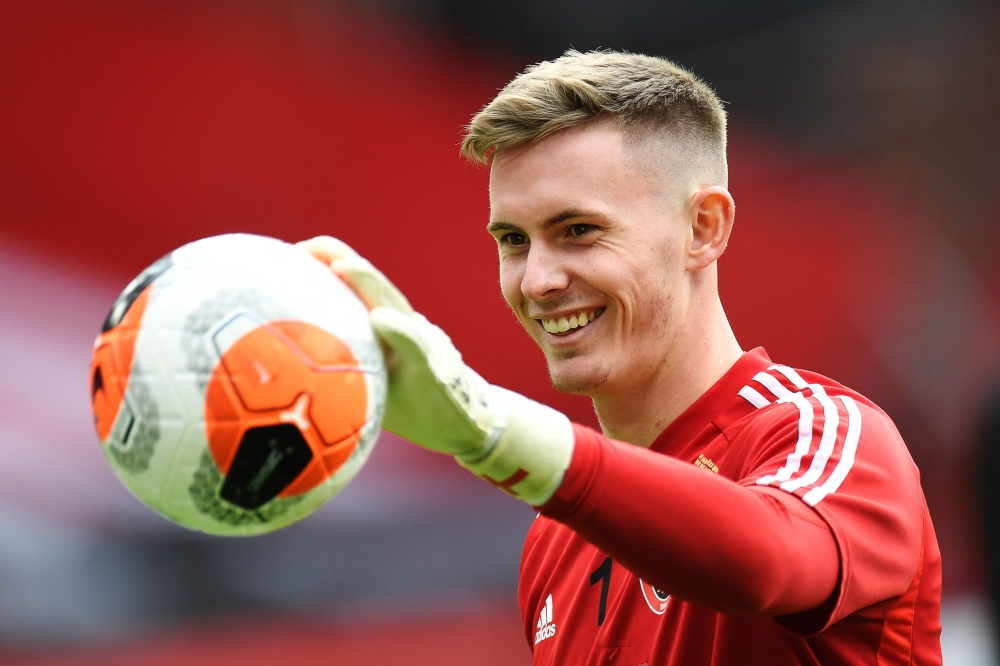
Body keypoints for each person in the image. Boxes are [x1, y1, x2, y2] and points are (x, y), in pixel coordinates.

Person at [301, 50, 941, 665]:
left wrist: (489, 430)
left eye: (578, 230)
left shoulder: (827, 434)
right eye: (514, 241)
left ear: (704, 229)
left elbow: (769, 560)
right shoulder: (559, 536)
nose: (538, 281)